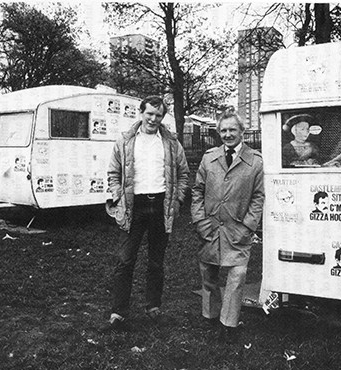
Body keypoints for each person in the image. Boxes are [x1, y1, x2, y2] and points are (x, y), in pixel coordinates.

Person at [101, 96, 189, 332]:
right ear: (140, 113)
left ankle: (153, 308)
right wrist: (118, 197)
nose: (153, 119)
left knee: (156, 262)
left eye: (158, 115)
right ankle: (119, 312)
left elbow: (183, 174)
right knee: (125, 260)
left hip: (161, 205)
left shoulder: (171, 142)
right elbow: (113, 172)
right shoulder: (126, 140)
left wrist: (178, 199)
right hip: (134, 206)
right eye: (149, 113)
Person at [191, 107, 264, 344]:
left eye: (232, 129)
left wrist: (248, 227)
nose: (228, 134)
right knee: (208, 276)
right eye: (223, 130)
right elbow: (197, 192)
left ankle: (228, 324)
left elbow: (258, 197)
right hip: (210, 228)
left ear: (242, 131)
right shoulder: (209, 158)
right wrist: (201, 222)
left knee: (237, 275)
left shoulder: (255, 161)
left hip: (238, 229)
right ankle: (211, 317)